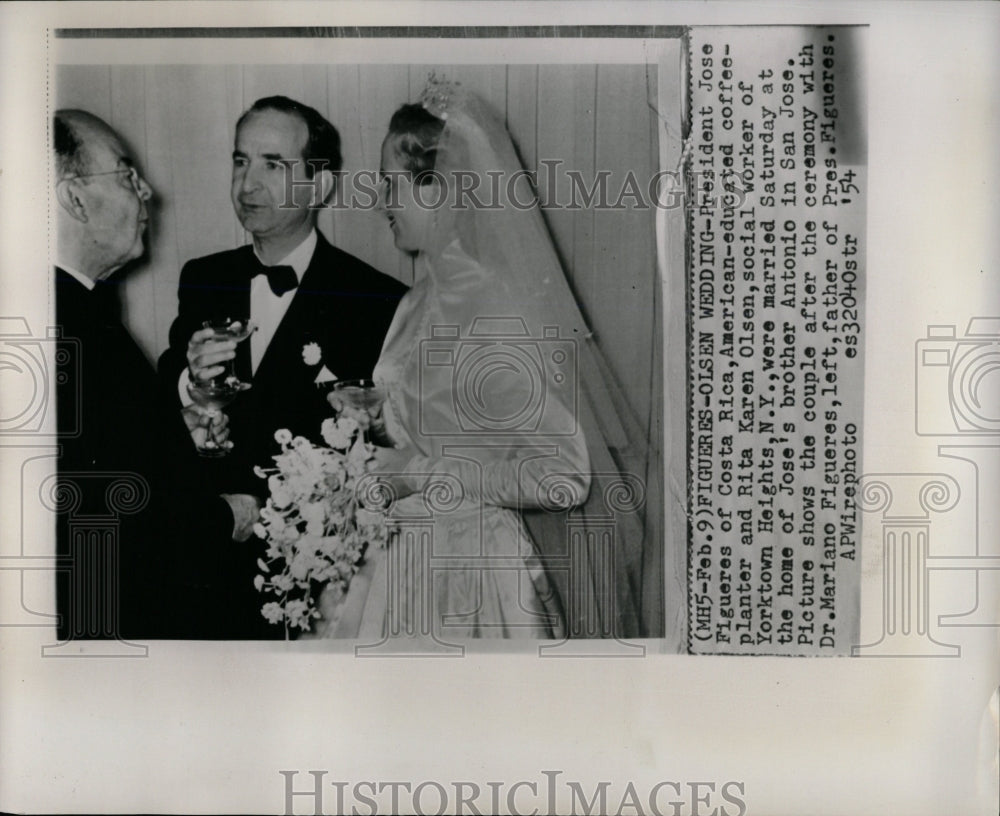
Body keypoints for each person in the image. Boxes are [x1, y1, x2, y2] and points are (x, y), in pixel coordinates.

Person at [324, 81, 650, 641]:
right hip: (395, 564)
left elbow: (564, 477)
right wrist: (378, 412)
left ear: (441, 189)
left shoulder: (503, 306)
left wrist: (424, 473)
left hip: (474, 576)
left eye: (390, 186)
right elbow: (437, 420)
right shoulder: (412, 302)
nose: (381, 203)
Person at [158, 96, 407, 637]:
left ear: (319, 186)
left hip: (308, 587)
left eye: (273, 164)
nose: (248, 185)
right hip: (199, 573)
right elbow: (162, 397)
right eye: (240, 161)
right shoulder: (203, 277)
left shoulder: (378, 301)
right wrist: (191, 383)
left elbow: (386, 450)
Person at [53, 109, 260, 640]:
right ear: (75, 198)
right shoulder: (61, 323)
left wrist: (173, 430)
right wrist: (223, 518)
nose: (147, 191)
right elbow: (96, 514)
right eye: (126, 175)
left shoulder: (78, 307)